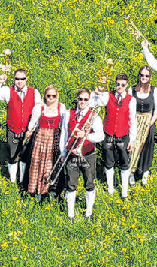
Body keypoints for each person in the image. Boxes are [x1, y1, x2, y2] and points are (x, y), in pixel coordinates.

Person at [61, 88, 104, 222]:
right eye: (81, 99)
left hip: (88, 154)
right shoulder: (68, 114)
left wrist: (85, 136)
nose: (83, 102)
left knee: (89, 183)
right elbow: (64, 134)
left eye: (86, 99)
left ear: (89, 100)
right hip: (72, 154)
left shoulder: (94, 117)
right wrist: (63, 152)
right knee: (71, 184)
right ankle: (70, 214)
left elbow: (100, 136)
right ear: (77, 99)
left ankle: (89, 213)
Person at [0, 68, 41, 184]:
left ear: (27, 79)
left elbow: (38, 111)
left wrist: (32, 129)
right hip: (13, 128)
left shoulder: (34, 93)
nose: (20, 81)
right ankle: (13, 181)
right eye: (17, 79)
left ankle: (22, 180)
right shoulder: (8, 91)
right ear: (14, 79)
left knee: (25, 155)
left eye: (22, 79)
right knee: (12, 155)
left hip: (28, 130)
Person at [91, 73, 137, 198]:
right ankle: (110, 190)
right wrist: (98, 91)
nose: (120, 87)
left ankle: (124, 192)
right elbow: (95, 103)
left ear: (127, 85)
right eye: (118, 84)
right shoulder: (108, 95)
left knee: (124, 163)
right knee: (109, 162)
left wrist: (132, 140)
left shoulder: (131, 100)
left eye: (122, 84)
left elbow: (132, 120)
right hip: (109, 134)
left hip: (123, 135)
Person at [26, 85, 66, 200]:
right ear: (45, 96)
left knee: (52, 164)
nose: (51, 98)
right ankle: (38, 190)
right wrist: (29, 132)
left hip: (54, 137)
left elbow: (64, 125)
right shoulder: (39, 108)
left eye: (54, 96)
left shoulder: (61, 108)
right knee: (37, 164)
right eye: (49, 96)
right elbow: (33, 124)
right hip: (41, 138)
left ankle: (51, 190)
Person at [128, 66, 157, 186]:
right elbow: (128, 108)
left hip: (148, 121)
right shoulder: (132, 90)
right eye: (142, 75)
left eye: (146, 76)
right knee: (132, 146)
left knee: (147, 147)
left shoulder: (154, 91)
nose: (144, 78)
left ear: (150, 77)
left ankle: (145, 172)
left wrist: (149, 123)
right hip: (135, 121)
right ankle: (132, 172)